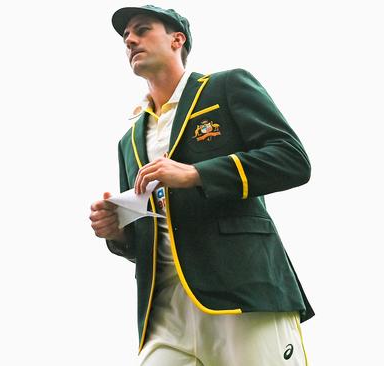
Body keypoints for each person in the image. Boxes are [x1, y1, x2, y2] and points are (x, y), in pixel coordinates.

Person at [89, 5, 313, 366]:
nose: (129, 39)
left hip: (242, 293)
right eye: (125, 36)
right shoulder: (128, 139)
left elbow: (292, 160)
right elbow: (142, 234)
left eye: (142, 30)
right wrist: (116, 232)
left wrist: (196, 174)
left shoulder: (227, 86)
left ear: (177, 39)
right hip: (162, 314)